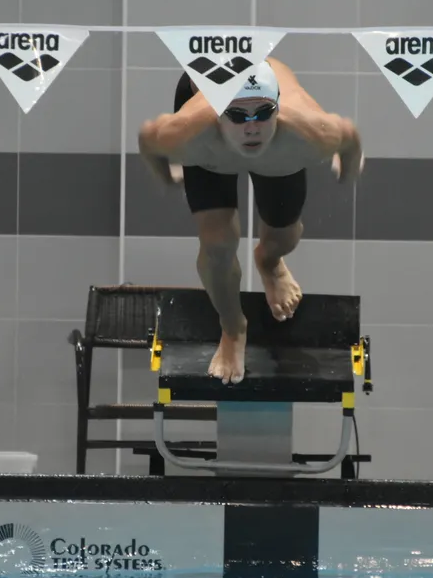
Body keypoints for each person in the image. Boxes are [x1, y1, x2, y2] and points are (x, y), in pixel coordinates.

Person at [137, 58, 364, 384]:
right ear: (218, 112)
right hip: (211, 151)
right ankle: (232, 328)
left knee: (285, 237)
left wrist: (348, 168)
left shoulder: (309, 134)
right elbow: (148, 139)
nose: (252, 126)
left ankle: (269, 262)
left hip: (278, 154)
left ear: (277, 108)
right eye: (238, 115)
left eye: (263, 113)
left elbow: (349, 136)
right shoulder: (188, 134)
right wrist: (166, 176)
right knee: (217, 244)